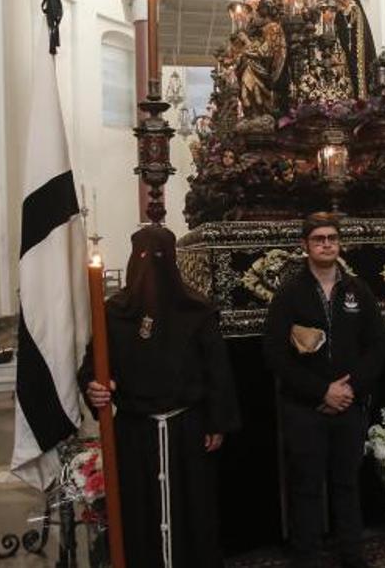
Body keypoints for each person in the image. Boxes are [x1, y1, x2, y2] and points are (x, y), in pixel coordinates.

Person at [79, 226, 240, 567]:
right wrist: (94, 385)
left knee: (194, 510)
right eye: (143, 257)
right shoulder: (114, 313)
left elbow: (217, 371)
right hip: (135, 433)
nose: (151, 266)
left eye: (160, 257)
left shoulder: (197, 311)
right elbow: (93, 366)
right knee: (138, 511)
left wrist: (217, 422)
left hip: (188, 430)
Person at [264, 212, 385, 568]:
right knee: (305, 486)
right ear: (305, 245)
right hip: (305, 409)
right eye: (319, 239)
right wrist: (321, 392)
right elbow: (274, 353)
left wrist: (348, 390)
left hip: (349, 405)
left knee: (347, 483)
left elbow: (377, 346)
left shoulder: (357, 291)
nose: (326, 244)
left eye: (332, 238)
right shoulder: (289, 294)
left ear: (339, 243)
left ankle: (351, 553)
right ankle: (307, 556)